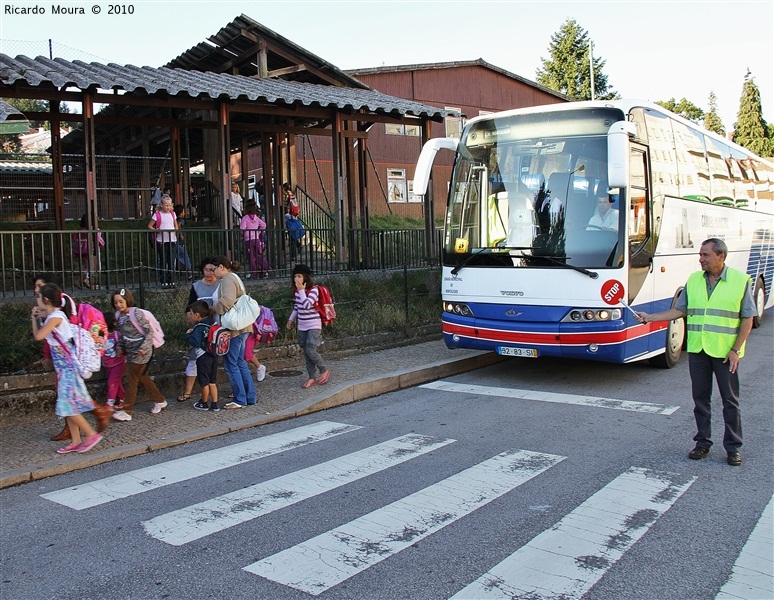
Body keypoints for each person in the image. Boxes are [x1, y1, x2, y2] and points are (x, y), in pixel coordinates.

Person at [635, 238, 755, 466]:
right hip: (698, 350)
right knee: (701, 400)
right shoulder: (694, 280)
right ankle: (702, 443)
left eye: (705, 255)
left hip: (725, 353)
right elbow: (679, 310)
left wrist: (735, 350)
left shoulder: (741, 281)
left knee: (730, 401)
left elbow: (747, 317)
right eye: (700, 255)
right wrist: (650, 318)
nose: (700, 259)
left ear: (721, 256)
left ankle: (733, 448)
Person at [32, 272, 111, 441]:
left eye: (39, 288)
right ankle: (76, 439)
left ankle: (91, 433)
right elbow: (50, 339)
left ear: (48, 295)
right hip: (64, 366)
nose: (36, 291)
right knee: (73, 401)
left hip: (68, 365)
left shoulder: (58, 314)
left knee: (69, 403)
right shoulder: (52, 314)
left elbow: (44, 337)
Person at [110, 288, 168, 421]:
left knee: (132, 379)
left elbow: (149, 331)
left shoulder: (135, 313)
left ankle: (127, 410)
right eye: (116, 302)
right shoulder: (119, 316)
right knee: (141, 376)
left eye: (121, 301)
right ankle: (159, 400)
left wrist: (144, 348)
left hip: (142, 351)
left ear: (127, 300)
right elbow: (123, 335)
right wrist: (120, 348)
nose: (118, 305)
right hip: (131, 350)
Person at [211, 256, 256, 409]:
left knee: (231, 363)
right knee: (240, 361)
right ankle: (250, 396)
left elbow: (228, 301)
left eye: (214, 268)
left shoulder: (228, 279)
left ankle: (240, 399)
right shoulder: (234, 277)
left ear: (222, 267)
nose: (213, 272)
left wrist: (214, 308)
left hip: (235, 329)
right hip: (243, 327)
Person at [178, 257, 221, 403]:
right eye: (206, 270)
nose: (209, 273)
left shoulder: (221, 284)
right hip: (200, 326)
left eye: (212, 269)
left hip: (217, 326)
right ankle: (188, 391)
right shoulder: (196, 286)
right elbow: (190, 307)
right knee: (194, 357)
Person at [286, 264, 330, 389]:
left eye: (299, 276)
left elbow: (306, 305)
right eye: (295, 276)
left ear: (306, 277)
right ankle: (311, 377)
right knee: (306, 353)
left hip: (314, 325)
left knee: (311, 350)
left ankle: (324, 369)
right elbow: (298, 307)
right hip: (302, 326)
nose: (296, 279)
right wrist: (291, 319)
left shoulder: (314, 290)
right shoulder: (297, 292)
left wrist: (301, 291)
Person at [185, 300, 220, 412]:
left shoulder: (199, 327)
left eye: (191, 313)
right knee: (212, 381)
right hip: (213, 355)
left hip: (203, 357)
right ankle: (215, 404)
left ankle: (204, 403)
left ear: (197, 315)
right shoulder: (211, 322)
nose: (189, 315)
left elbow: (196, 342)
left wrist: (188, 335)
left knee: (204, 382)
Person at [148, 195, 179, 287]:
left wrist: (175, 230)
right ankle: (164, 280)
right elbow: (149, 226)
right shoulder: (157, 214)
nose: (168, 207)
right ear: (162, 205)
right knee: (163, 261)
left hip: (172, 240)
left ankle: (171, 280)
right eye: (166, 205)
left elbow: (176, 225)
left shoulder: (173, 214)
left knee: (171, 261)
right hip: (161, 241)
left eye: (169, 205)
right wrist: (157, 230)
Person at [72, 213, 105, 289]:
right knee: (95, 267)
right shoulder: (95, 229)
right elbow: (99, 240)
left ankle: (83, 280)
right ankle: (88, 282)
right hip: (92, 250)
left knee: (85, 267)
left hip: (81, 251)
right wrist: (103, 243)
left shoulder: (80, 230)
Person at [102, 311, 126, 411]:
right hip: (107, 364)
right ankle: (122, 399)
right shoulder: (102, 336)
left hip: (118, 363)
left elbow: (124, 346)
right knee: (117, 382)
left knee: (112, 382)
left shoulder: (118, 335)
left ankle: (110, 402)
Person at [240, 201, 271, 278]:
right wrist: (258, 232)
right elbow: (263, 225)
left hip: (248, 240)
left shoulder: (245, 218)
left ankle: (254, 273)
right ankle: (268, 268)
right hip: (256, 239)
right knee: (258, 256)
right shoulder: (256, 218)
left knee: (250, 257)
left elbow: (242, 228)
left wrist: (242, 235)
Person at [174, 204, 194, 280]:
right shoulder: (180, 220)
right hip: (179, 242)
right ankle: (190, 274)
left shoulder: (175, 219)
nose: (184, 213)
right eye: (183, 212)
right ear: (181, 213)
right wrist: (181, 234)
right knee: (185, 258)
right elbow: (179, 226)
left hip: (175, 242)